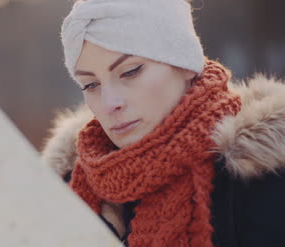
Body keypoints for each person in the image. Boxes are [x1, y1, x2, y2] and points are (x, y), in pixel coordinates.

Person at [41, 0, 285, 246]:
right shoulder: (69, 189)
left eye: (130, 71)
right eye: (91, 85)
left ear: (185, 63)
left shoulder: (260, 176)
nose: (109, 103)